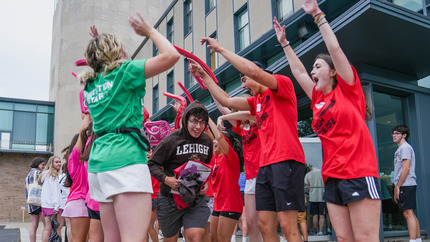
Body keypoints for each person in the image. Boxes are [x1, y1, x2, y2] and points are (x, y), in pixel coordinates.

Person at [273, 0, 381, 241]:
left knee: (365, 238)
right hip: (332, 177)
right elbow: (299, 72)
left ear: (333, 72)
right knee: (343, 238)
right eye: (313, 67)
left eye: (318, 66)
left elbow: (335, 51)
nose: (312, 71)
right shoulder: (317, 99)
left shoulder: (349, 91)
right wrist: (285, 44)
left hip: (358, 172)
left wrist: (318, 15)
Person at [189, 42, 306, 241]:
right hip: (264, 168)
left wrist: (221, 49)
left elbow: (253, 70)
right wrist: (204, 76)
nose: (243, 86)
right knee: (263, 225)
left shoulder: (281, 85)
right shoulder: (256, 103)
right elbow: (226, 102)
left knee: (287, 225)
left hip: (286, 161)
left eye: (244, 80)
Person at [80, 12, 179, 242]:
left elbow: (109, 66)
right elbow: (171, 55)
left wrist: (98, 44)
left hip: (99, 165)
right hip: (125, 161)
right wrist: (149, 31)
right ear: (115, 53)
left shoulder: (90, 85)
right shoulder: (125, 73)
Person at [149, 101, 213, 242]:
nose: (198, 127)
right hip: (170, 199)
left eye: (202, 123)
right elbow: (152, 164)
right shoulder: (171, 140)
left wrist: (205, 183)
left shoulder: (207, 141)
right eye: (194, 121)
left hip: (195, 198)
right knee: (170, 239)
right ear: (186, 120)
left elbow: (206, 164)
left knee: (195, 236)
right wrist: (166, 179)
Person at [216, 95, 262, 242]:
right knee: (251, 223)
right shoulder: (243, 128)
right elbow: (223, 107)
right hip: (250, 177)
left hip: (264, 175)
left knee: (265, 223)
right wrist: (207, 84)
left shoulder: (259, 119)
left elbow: (250, 113)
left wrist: (223, 118)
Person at [208, 117, 244, 242]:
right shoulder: (216, 159)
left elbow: (218, 137)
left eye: (217, 141)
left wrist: (207, 117)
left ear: (226, 144)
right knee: (214, 239)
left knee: (223, 239)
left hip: (230, 204)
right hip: (218, 205)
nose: (214, 142)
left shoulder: (231, 157)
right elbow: (207, 132)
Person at [61, 115, 91, 242]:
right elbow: (82, 134)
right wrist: (86, 116)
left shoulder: (87, 161)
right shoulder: (75, 159)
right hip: (80, 202)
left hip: (77, 203)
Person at [392, 125, 422, 242]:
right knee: (410, 213)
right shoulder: (400, 149)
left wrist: (398, 186)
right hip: (406, 184)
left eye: (397, 133)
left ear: (404, 135)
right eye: (393, 133)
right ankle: (418, 239)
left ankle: (413, 240)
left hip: (406, 184)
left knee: (408, 213)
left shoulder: (405, 148)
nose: (394, 136)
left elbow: (406, 169)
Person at [38, 156, 62, 242]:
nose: (59, 163)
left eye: (59, 162)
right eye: (56, 162)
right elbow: (55, 192)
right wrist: (56, 206)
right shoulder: (53, 175)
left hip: (46, 205)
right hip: (52, 205)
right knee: (57, 228)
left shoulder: (45, 174)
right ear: (51, 163)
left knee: (47, 228)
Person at [25, 157, 46, 242]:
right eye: (42, 164)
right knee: (46, 225)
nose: (44, 166)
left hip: (31, 202)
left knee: (34, 225)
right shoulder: (38, 173)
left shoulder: (28, 174)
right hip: (40, 201)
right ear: (37, 164)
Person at [304, 166, 325, 236]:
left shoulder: (308, 174)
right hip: (322, 196)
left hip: (312, 197)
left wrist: (312, 191)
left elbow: (307, 187)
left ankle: (317, 230)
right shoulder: (322, 173)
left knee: (314, 215)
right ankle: (321, 231)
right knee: (322, 215)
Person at [58, 163, 70, 239]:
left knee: (59, 227)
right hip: (67, 203)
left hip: (59, 204)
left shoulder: (59, 177)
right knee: (69, 225)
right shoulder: (69, 178)